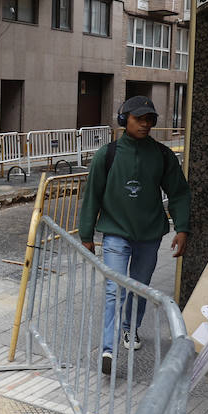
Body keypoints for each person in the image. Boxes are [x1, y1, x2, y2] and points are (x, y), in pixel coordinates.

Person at [79, 96, 192, 375]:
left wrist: (182, 227)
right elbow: (91, 195)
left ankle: (131, 328)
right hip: (116, 234)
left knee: (140, 286)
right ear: (123, 119)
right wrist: (86, 235)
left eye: (149, 120)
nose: (145, 124)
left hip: (150, 234)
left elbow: (178, 192)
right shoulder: (107, 155)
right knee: (114, 289)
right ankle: (108, 347)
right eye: (139, 118)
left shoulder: (162, 155)